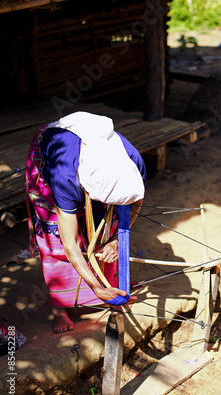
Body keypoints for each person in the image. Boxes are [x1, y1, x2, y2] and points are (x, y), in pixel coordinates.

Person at [26, 111, 146, 333]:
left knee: (105, 232)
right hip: (53, 159)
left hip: (84, 172)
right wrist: (95, 286)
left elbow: (136, 202)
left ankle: (109, 290)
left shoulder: (133, 164)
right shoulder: (64, 176)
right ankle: (60, 308)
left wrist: (116, 239)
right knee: (56, 240)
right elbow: (69, 245)